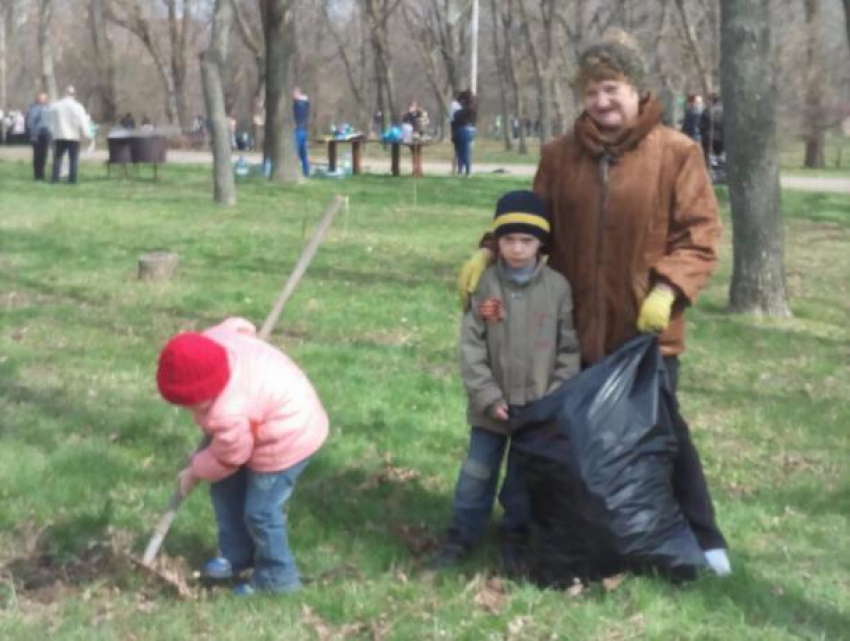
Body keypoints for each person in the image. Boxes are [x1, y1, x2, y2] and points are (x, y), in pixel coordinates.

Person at [457, 30, 731, 576]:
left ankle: (704, 542)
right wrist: (489, 253)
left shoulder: (677, 153)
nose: (601, 102)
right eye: (590, 92)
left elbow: (700, 235)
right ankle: (569, 537)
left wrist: (669, 288)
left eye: (611, 88)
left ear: (636, 88)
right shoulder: (560, 157)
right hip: (570, 329)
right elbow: (532, 224)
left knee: (663, 438)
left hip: (646, 332)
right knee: (569, 442)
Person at [432, 191, 581, 576]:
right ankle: (462, 534)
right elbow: (471, 347)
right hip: (490, 410)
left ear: (541, 244)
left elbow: (568, 349)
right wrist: (487, 396)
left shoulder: (558, 288)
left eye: (526, 240)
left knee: (520, 480)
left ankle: (515, 535)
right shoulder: (484, 286)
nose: (517, 248)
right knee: (475, 475)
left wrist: (550, 401)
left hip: (536, 409)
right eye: (509, 239)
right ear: (496, 241)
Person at [156, 317, 329, 595]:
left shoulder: (229, 411)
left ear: (211, 390)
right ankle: (236, 556)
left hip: (288, 436)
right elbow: (239, 325)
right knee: (225, 488)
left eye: (193, 404)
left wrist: (194, 471)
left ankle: (277, 578)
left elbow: (230, 458)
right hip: (264, 410)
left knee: (261, 511)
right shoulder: (215, 342)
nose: (190, 412)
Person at [48, 86, 91, 184]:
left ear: (64, 93)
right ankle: (72, 179)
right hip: (73, 136)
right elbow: (83, 121)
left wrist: (52, 132)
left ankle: (55, 178)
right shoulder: (77, 106)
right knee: (73, 159)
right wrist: (87, 134)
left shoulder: (55, 106)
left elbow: (51, 121)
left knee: (57, 158)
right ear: (74, 94)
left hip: (59, 135)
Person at [25, 92, 51, 180]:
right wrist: (33, 135)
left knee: (44, 155)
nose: (44, 100)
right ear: (38, 99)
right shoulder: (35, 109)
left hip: (45, 134)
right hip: (38, 135)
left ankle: (42, 174)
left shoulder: (46, 108)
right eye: (43, 98)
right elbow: (31, 123)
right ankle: (38, 175)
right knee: (38, 156)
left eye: (45, 98)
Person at [451, 90, 477, 175]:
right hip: (469, 131)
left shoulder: (463, 110)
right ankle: (463, 171)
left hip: (462, 131)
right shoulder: (472, 109)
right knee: (464, 152)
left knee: (462, 152)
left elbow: (455, 118)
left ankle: (465, 171)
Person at [292, 87, 310, 177]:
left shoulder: (297, 104)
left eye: (294, 94)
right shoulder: (306, 103)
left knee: (295, 151)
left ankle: (295, 172)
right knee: (303, 153)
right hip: (304, 130)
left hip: (298, 130)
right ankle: (306, 172)